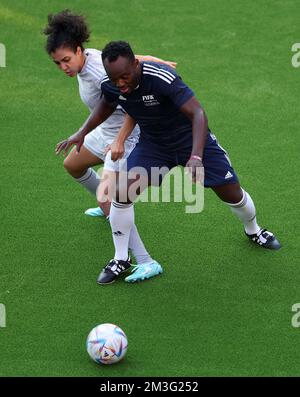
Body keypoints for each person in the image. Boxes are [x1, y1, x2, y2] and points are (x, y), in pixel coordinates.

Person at [57, 41, 281, 285]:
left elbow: (197, 113)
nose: (121, 83)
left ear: (136, 64)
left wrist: (196, 156)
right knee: (122, 193)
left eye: (125, 76)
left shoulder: (162, 78)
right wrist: (82, 132)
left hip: (191, 141)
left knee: (232, 193)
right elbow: (107, 103)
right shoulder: (111, 85)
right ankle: (121, 258)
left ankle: (254, 229)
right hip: (154, 145)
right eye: (114, 79)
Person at [44, 12, 175, 276]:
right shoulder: (91, 57)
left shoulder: (96, 72)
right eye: (57, 63)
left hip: (125, 139)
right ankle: (110, 212)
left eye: (66, 60)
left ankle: (146, 261)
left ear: (78, 51)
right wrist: (158, 60)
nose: (64, 67)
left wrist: (118, 139)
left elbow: (132, 102)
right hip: (104, 133)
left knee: (114, 199)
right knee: (73, 165)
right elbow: (136, 61)